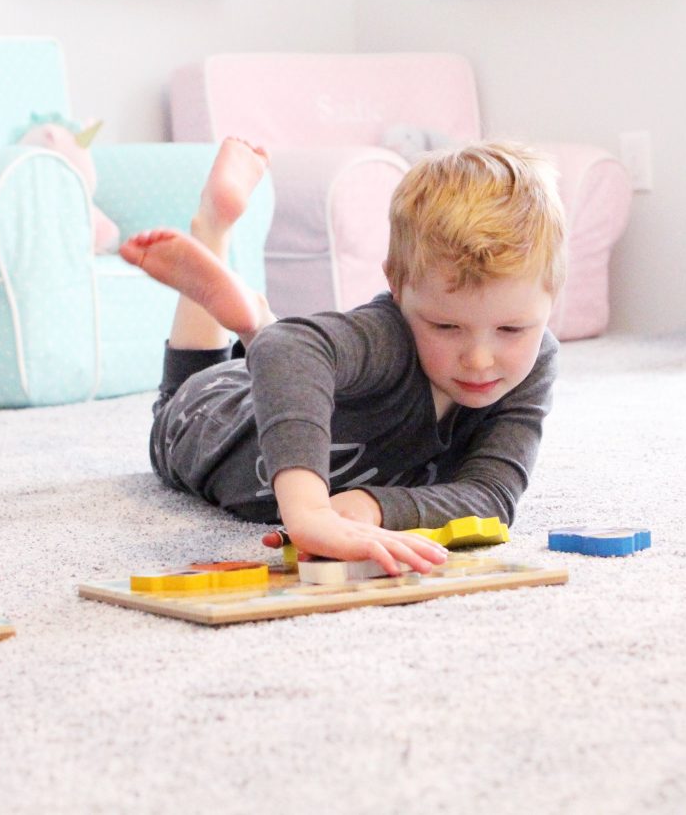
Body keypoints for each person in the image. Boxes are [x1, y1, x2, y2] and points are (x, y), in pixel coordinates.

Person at [121, 137, 566, 576]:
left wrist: (370, 506)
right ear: (397, 284)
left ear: (552, 295)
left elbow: (491, 497)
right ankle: (214, 231)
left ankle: (258, 325)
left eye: (512, 329)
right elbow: (289, 350)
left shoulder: (535, 364)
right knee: (179, 399)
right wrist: (309, 511)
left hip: (297, 374)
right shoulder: (389, 335)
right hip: (214, 415)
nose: (480, 360)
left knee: (282, 351)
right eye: (446, 327)